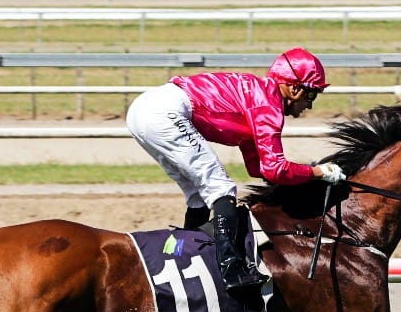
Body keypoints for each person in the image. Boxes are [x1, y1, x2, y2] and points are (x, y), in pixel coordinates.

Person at [126, 47, 346, 291]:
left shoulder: (261, 95)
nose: (309, 106)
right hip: (164, 112)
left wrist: (302, 177)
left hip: (142, 110)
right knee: (221, 189)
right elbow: (275, 170)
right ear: (294, 89)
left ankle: (188, 259)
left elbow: (258, 167)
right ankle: (232, 271)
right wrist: (319, 172)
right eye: (312, 95)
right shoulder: (268, 105)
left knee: (199, 195)